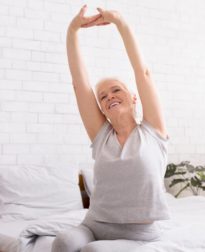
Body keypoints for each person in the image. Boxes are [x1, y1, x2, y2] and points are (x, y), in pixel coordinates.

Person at [51, 5, 170, 252]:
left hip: (139, 233)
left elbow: (143, 73)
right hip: (94, 225)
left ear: (133, 97)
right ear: (102, 109)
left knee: (94, 251)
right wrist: (72, 30)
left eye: (116, 89)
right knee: (62, 242)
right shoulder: (102, 136)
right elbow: (79, 84)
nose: (109, 97)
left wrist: (121, 23)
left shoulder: (153, 132)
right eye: (103, 97)